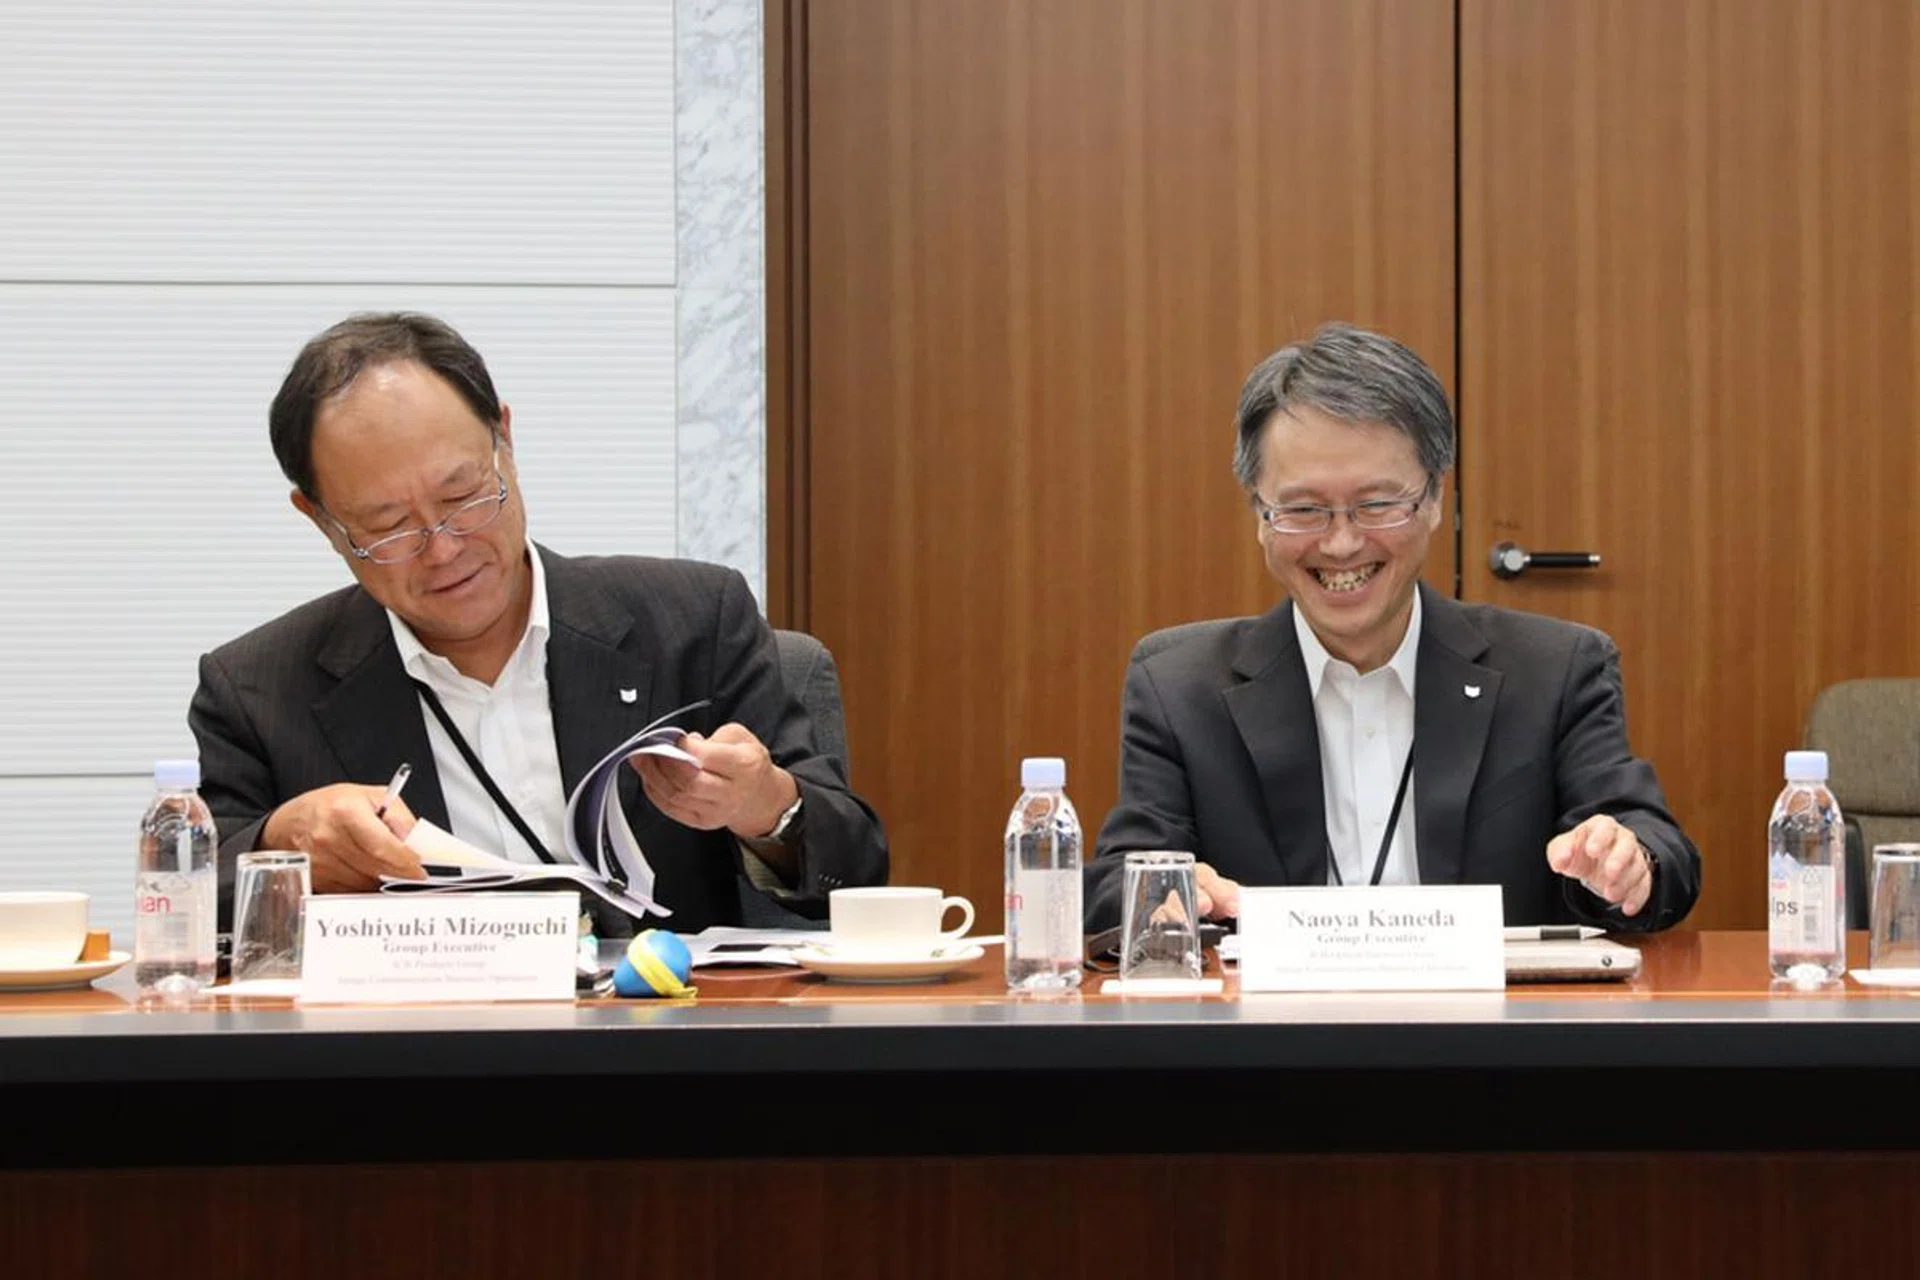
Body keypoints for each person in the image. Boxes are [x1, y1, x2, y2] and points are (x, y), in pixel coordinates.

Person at [190, 311, 888, 935]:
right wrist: (279, 842)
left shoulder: (695, 621)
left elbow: (855, 872)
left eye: (464, 495)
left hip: (666, 1057)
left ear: (506, 440)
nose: (444, 548)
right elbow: (191, 903)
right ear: (321, 521)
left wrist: (766, 808)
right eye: (387, 527)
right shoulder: (255, 688)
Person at [1086, 322, 1699, 932]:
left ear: (1434, 499)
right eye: (1303, 510)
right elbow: (1115, 883)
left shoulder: (1554, 670)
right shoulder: (1178, 687)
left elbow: (1657, 851)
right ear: (1260, 517)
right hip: (1268, 1026)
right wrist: (1165, 890)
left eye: (1377, 504)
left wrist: (1626, 864)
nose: (1342, 542)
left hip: (1493, 1026)